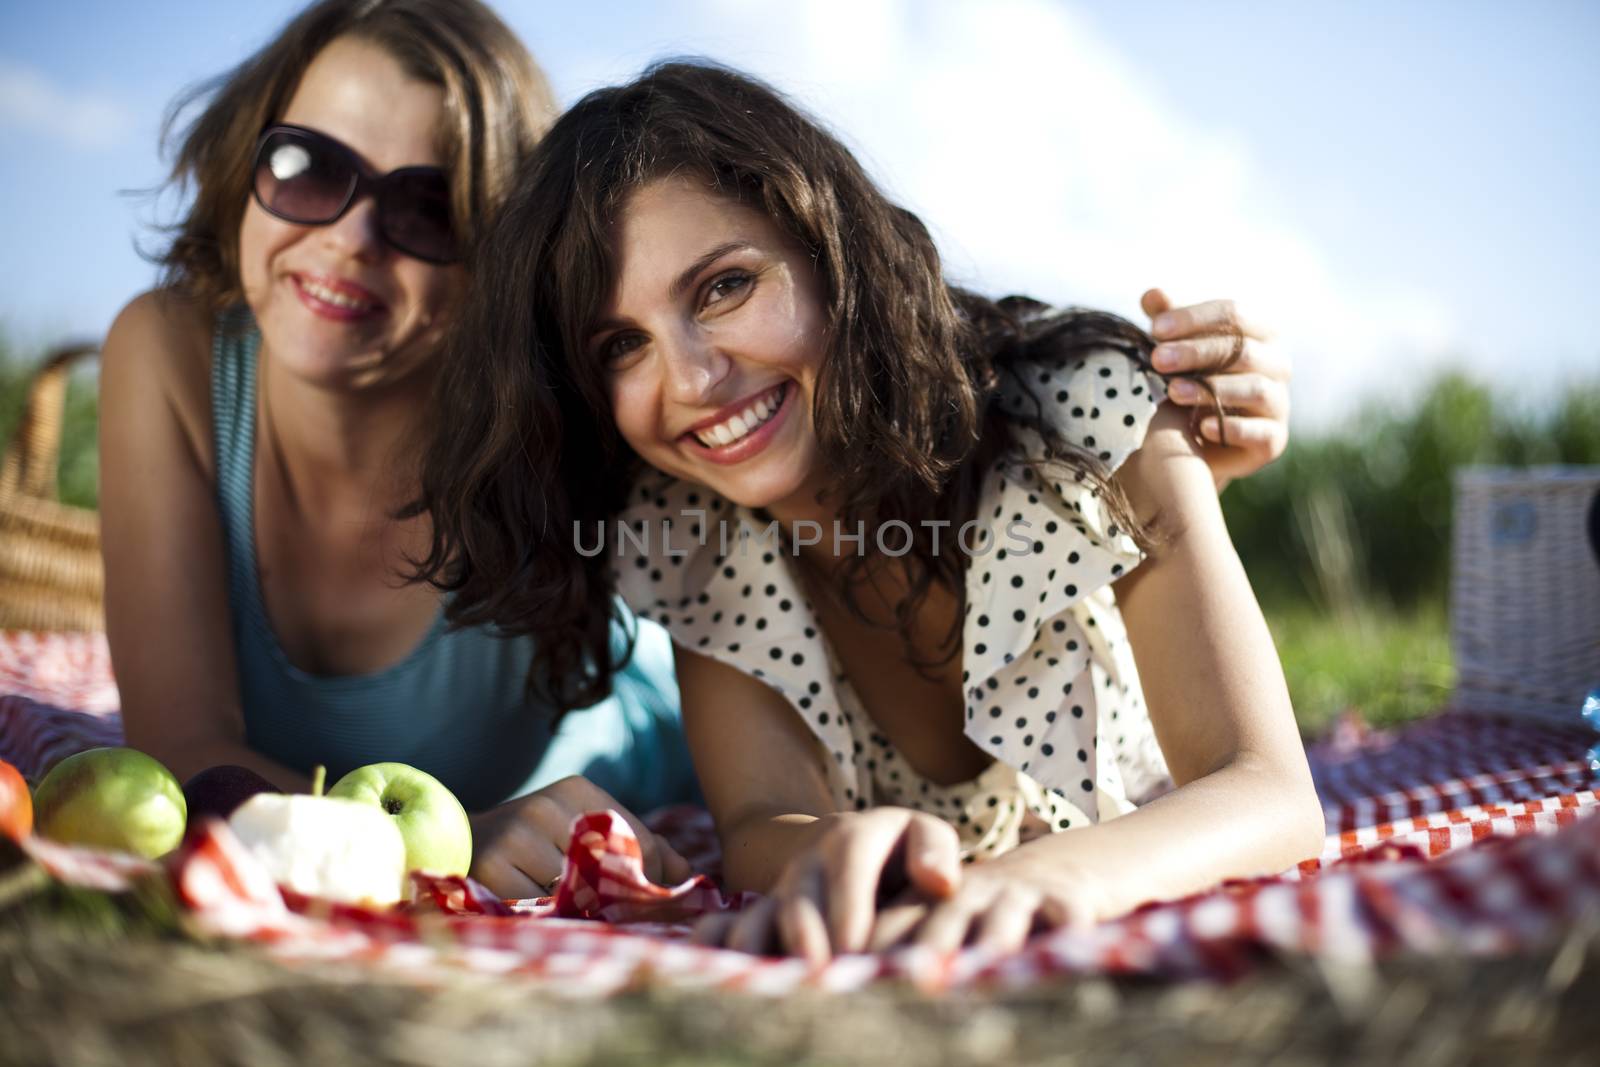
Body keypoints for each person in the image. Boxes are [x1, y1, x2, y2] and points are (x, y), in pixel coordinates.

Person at [415, 61, 1320, 957]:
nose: (691, 379)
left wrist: (1047, 880)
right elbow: (764, 817)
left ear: (828, 247)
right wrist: (840, 854)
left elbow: (1266, 790)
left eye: (725, 286)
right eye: (622, 344)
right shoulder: (685, 528)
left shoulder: (1089, 411)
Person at [97, 0, 699, 899]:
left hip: (633, 724)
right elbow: (182, 753)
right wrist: (442, 841)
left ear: (498, 255)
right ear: (247, 159)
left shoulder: (557, 426)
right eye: (307, 168)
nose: (350, 237)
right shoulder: (170, 353)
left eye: (427, 208)